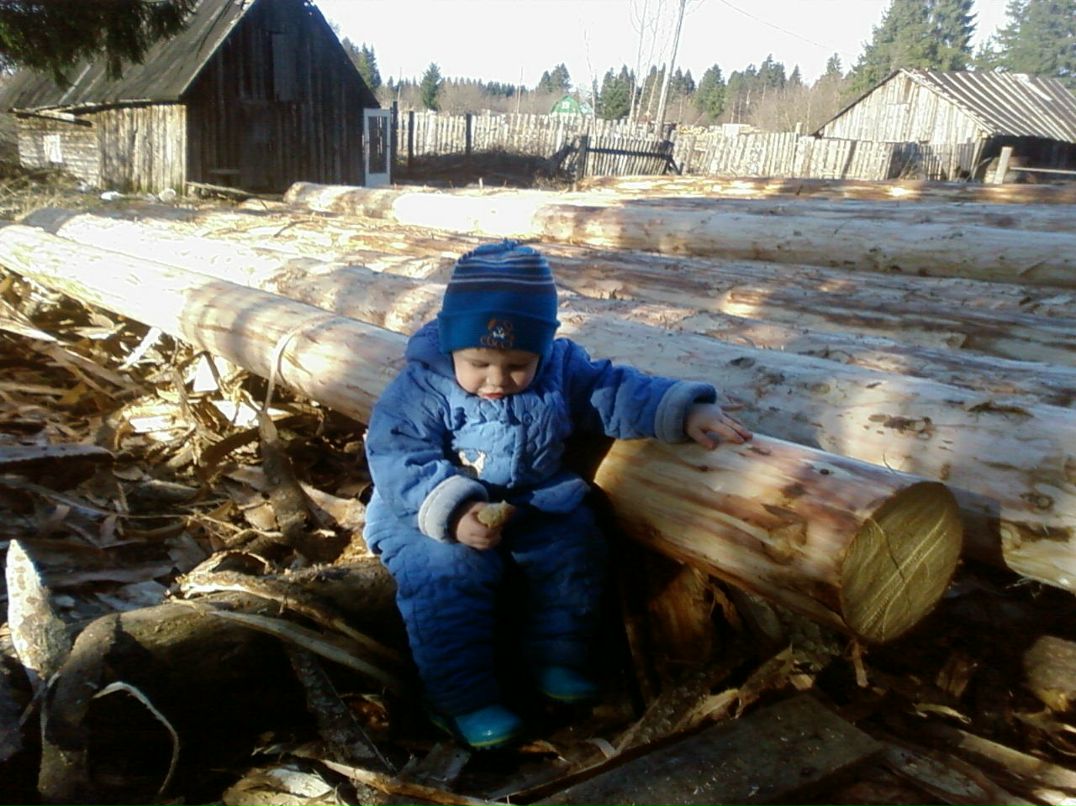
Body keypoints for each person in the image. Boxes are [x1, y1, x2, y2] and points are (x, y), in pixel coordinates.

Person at [363, 240, 752, 749]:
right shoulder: (425, 383)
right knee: (449, 576)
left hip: (530, 499)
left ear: (543, 349)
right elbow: (395, 453)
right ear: (453, 344)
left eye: (518, 365)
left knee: (575, 546)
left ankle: (555, 658)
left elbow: (612, 390)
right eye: (479, 363)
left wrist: (684, 410)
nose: (497, 380)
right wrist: (454, 509)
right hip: (425, 511)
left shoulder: (561, 368)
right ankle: (460, 699)